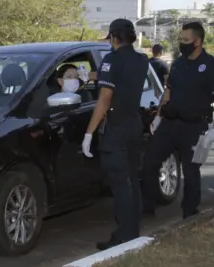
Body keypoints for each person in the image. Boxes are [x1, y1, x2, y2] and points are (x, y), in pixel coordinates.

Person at [81, 18, 149, 250]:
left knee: (120, 185)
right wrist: (97, 77)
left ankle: (124, 237)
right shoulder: (142, 59)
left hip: (117, 128)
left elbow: (105, 98)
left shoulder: (111, 59)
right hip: (134, 123)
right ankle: (133, 231)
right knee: (132, 181)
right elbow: (125, 82)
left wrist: (89, 133)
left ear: (113, 37)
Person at [142, 22, 214, 219]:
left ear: (197, 42)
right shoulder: (178, 63)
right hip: (169, 123)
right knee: (149, 163)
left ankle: (190, 213)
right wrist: (158, 116)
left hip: (195, 127)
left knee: (191, 172)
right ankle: (147, 206)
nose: (181, 43)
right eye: (180, 40)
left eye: (185, 40)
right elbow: (168, 90)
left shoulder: (210, 65)